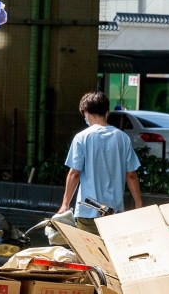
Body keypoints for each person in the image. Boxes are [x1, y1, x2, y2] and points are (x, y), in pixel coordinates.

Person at [59, 91, 142, 235]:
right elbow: (131, 175)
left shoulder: (81, 138)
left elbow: (75, 173)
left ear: (86, 112)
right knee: (111, 253)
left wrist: (65, 204)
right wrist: (138, 203)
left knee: (90, 254)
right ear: (107, 112)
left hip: (88, 211)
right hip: (114, 212)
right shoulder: (122, 138)